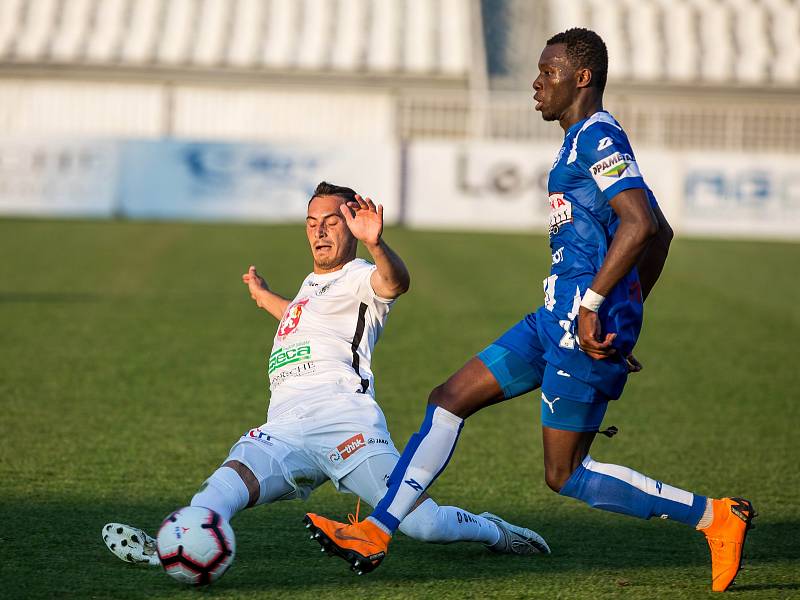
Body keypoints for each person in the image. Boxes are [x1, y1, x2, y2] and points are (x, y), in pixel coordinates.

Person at [304, 30, 755, 592]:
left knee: (564, 475)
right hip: (554, 317)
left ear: (582, 77)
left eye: (549, 71)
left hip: (577, 322)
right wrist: (622, 310)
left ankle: (715, 516)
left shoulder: (598, 136)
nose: (537, 82)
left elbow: (642, 226)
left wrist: (601, 308)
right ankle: (376, 530)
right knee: (448, 399)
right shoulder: (575, 142)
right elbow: (658, 231)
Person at [102, 182, 550, 570]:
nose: (318, 229)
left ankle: (492, 531)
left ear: (352, 225)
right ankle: (174, 551)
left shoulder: (360, 277)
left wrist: (376, 244)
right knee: (217, 493)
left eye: (331, 221)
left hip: (345, 423)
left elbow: (395, 283)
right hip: (283, 428)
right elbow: (303, 320)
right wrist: (266, 299)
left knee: (423, 524)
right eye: (312, 221)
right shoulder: (310, 285)